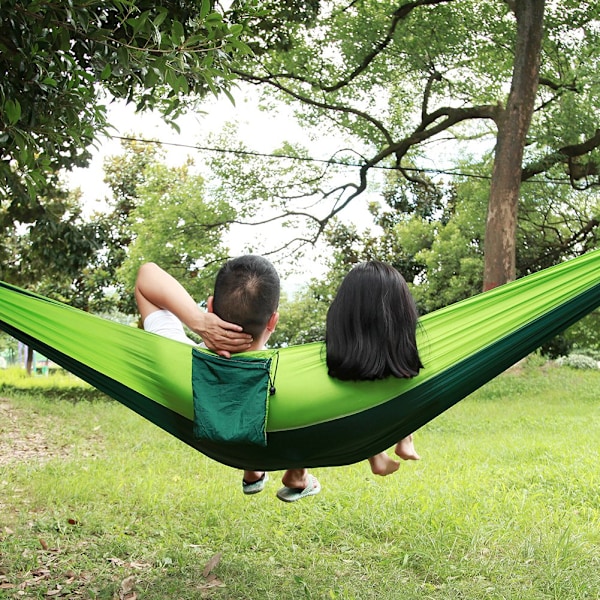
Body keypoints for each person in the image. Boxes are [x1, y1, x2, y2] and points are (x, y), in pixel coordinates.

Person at [135, 256, 320, 502]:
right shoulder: (290, 379)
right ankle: (295, 474)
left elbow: (146, 275)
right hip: (270, 437)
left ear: (210, 306)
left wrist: (197, 321)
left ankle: (253, 469)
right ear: (273, 321)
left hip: (215, 437)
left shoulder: (176, 362)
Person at [325, 260, 423, 476]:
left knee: (361, 391)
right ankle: (404, 440)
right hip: (393, 395)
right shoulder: (402, 348)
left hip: (350, 400)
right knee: (405, 382)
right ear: (401, 311)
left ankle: (378, 455)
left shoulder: (337, 348)